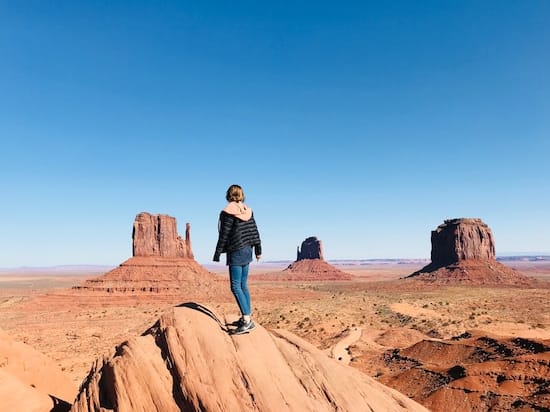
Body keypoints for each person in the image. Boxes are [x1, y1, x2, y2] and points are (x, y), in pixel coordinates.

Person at [213, 184, 262, 334]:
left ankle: (246, 321)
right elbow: (255, 231)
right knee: (243, 285)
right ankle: (246, 317)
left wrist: (217, 253)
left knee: (235, 286)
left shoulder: (228, 212)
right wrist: (258, 250)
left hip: (236, 251)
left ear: (229, 195)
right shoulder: (248, 211)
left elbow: (224, 234)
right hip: (248, 250)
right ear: (242, 195)